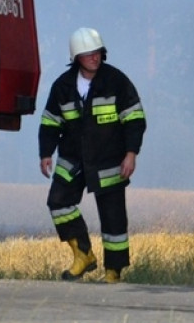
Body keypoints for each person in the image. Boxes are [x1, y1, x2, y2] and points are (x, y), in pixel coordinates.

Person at [39, 27, 146, 283]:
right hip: (73, 159)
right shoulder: (62, 86)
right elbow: (50, 123)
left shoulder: (117, 81)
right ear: (76, 57)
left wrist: (131, 154)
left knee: (113, 217)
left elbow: (135, 119)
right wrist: (45, 153)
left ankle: (113, 271)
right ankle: (83, 255)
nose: (94, 58)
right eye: (88, 54)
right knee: (58, 202)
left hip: (110, 160)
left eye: (97, 53)